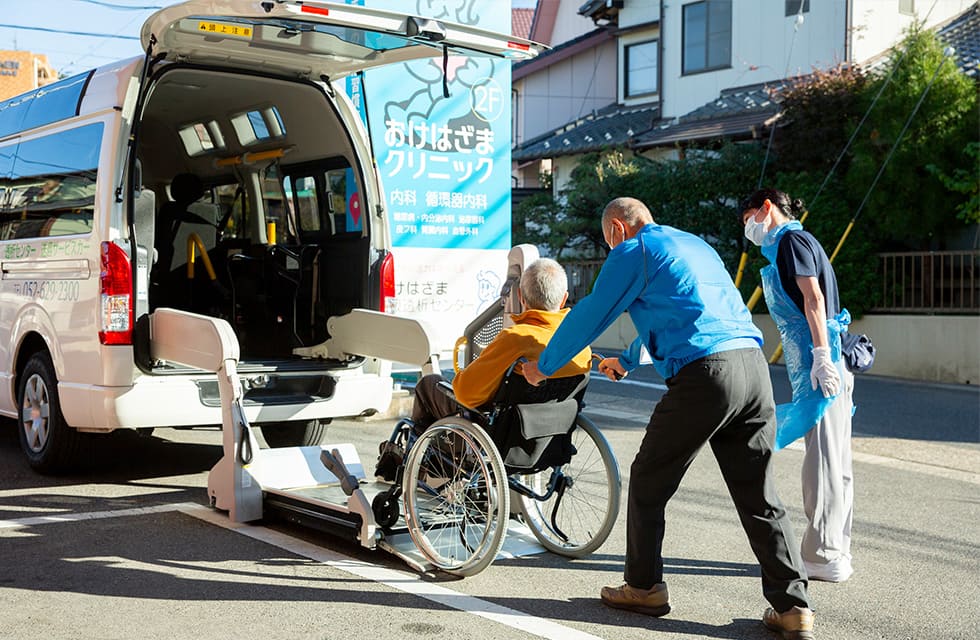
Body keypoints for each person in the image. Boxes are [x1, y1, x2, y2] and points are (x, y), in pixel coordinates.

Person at [522, 197, 815, 640]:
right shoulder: (694, 245)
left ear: (618, 229)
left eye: (608, 241)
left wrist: (543, 366)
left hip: (706, 375)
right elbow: (682, 310)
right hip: (753, 369)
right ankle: (794, 607)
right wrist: (629, 358)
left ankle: (643, 587)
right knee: (759, 494)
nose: (610, 248)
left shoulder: (632, 251)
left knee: (647, 478)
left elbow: (591, 313)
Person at [740, 188, 855, 584]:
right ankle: (836, 547)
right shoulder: (796, 243)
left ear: (767, 209)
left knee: (822, 460)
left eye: (749, 218)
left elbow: (813, 299)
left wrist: (821, 357)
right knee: (835, 458)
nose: (748, 229)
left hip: (818, 366)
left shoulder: (791, 240)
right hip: (825, 363)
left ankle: (822, 555)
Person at [400, 256, 592, 439]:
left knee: (429, 384)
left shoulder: (515, 339)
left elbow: (466, 394)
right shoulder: (581, 346)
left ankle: (423, 462)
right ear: (564, 298)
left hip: (498, 436)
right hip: (552, 439)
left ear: (521, 297)